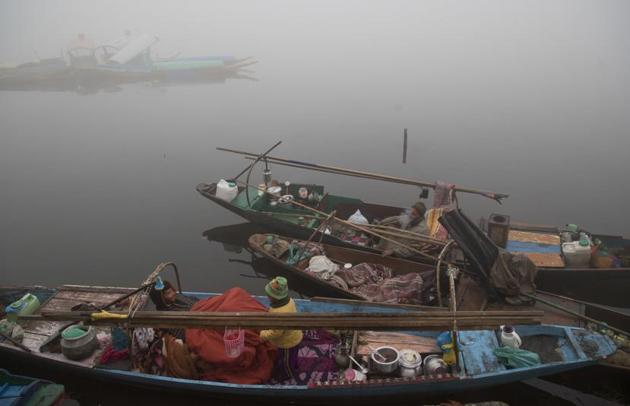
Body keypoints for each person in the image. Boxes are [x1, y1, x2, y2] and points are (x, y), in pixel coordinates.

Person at [259, 276, 303, 382]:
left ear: (275, 297)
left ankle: (287, 375)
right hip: (295, 335)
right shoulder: (290, 301)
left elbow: (276, 333)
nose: (268, 296)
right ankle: (295, 365)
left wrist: (262, 335)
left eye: (269, 295)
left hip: (287, 343)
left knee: (286, 362)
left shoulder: (280, 313)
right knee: (293, 356)